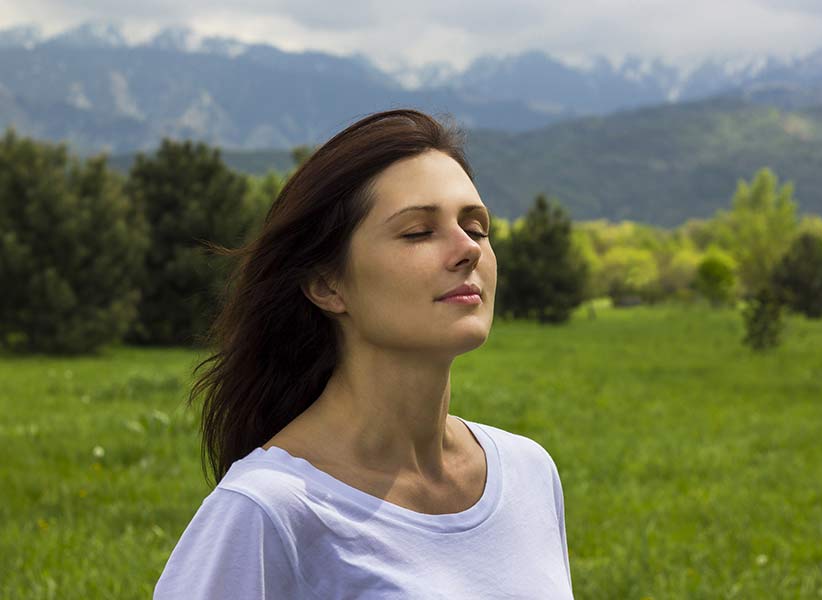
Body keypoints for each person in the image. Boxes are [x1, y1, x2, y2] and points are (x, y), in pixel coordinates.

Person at [153, 109, 573, 599]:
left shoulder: (528, 473)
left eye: (476, 227)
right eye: (418, 232)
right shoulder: (268, 511)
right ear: (327, 284)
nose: (468, 250)